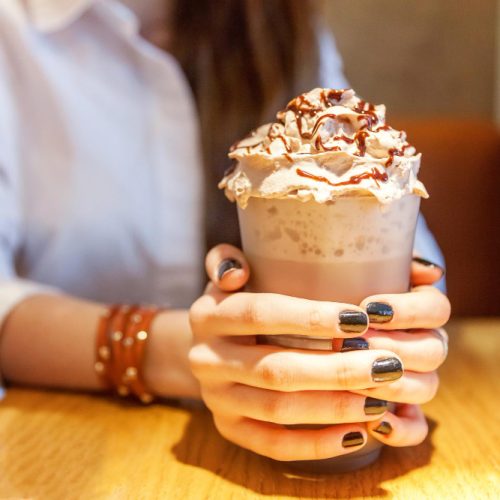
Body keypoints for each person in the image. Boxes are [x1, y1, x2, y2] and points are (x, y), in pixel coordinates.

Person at [0, 0, 450, 461]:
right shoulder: (12, 31)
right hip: (63, 440)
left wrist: (409, 332)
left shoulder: (280, 27)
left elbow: (403, 246)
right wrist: (178, 353)